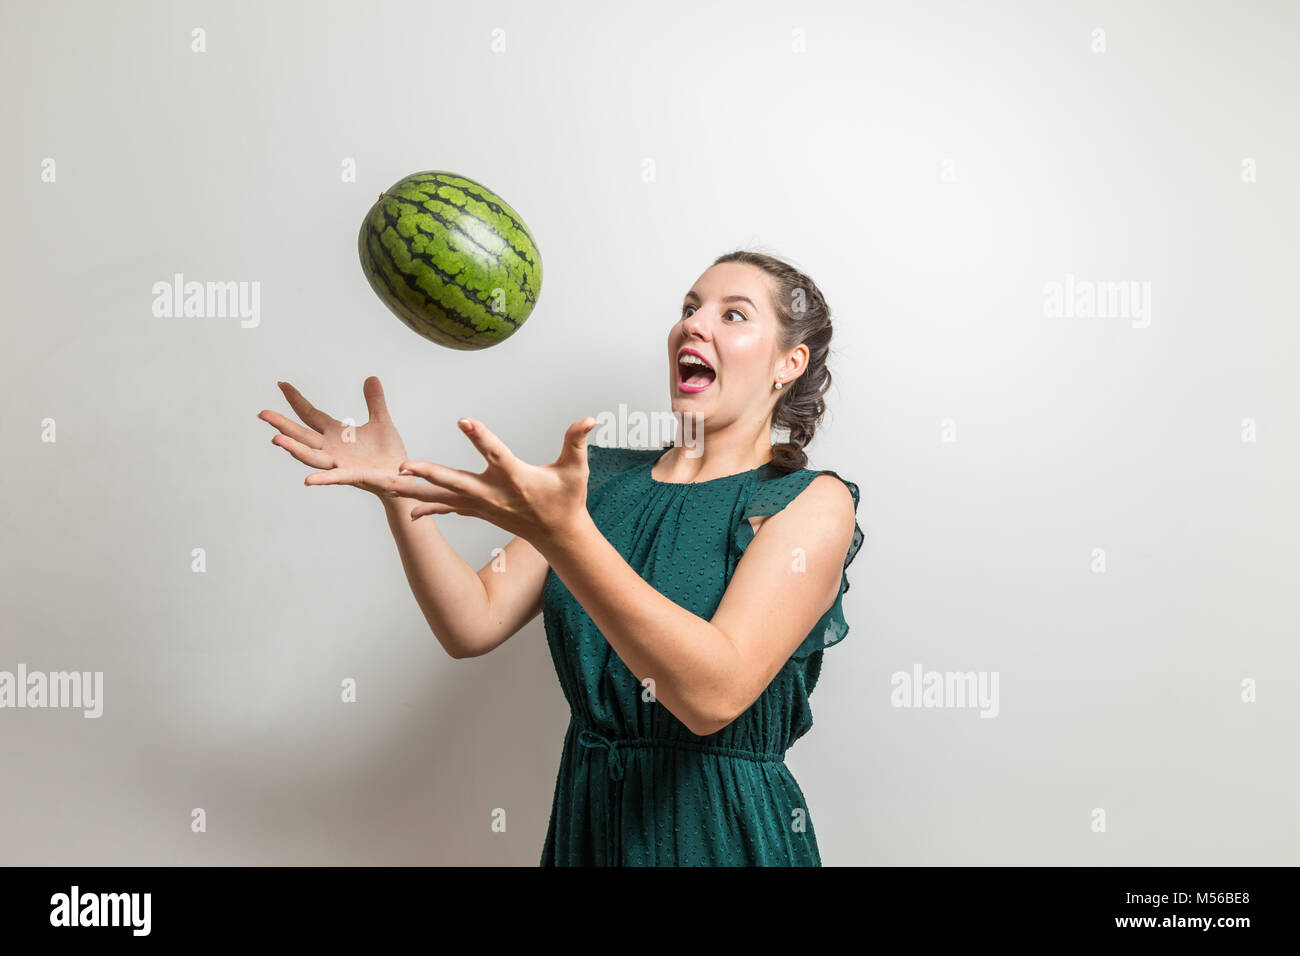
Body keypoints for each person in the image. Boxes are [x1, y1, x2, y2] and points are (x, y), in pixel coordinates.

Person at [258, 250, 864, 865]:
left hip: (721, 834)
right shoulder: (594, 483)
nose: (694, 324)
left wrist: (567, 536)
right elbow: (472, 621)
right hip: (592, 827)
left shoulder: (810, 504)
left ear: (790, 364)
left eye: (733, 314)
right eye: (689, 308)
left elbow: (712, 696)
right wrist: (395, 486)